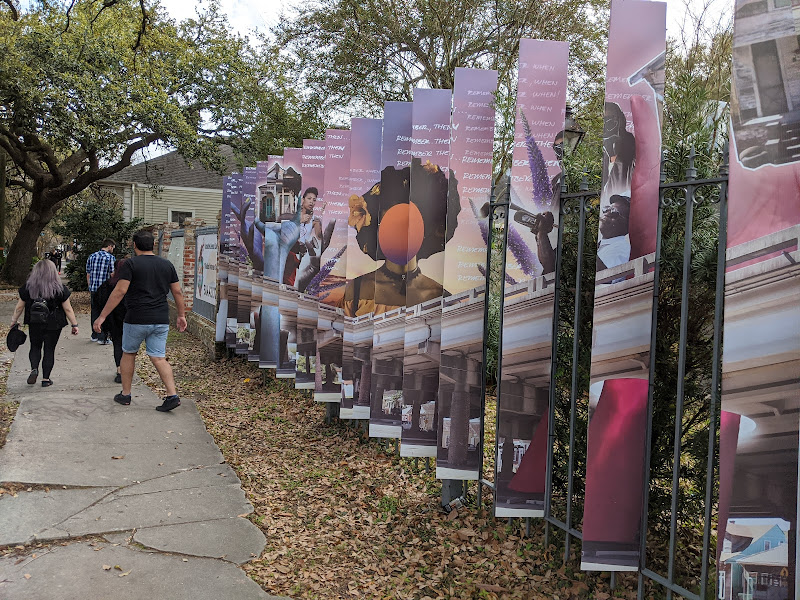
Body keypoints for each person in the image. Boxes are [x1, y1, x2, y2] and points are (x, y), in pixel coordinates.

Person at [93, 230, 187, 411]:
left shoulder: (130, 264)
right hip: (160, 319)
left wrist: (102, 316)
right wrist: (181, 315)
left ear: (134, 245)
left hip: (136, 318)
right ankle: (172, 395)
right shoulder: (166, 265)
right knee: (159, 357)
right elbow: (177, 292)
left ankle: (126, 394)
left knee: (128, 353)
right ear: (153, 245)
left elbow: (119, 291)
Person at [10, 259, 80, 386]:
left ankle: (34, 369)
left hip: (34, 322)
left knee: (35, 346)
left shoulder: (28, 287)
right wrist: (74, 324)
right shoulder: (59, 289)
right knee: (49, 349)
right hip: (54, 324)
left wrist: (14, 321)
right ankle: (46, 379)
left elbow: (19, 307)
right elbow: (68, 309)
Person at [96, 258, 128, 383]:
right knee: (129, 346)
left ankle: (120, 370)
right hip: (130, 319)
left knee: (117, 343)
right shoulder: (134, 285)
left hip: (114, 319)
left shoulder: (108, 285)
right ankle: (127, 369)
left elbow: (99, 301)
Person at [86, 238, 116, 343]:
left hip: (94, 288)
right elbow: (112, 274)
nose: (113, 250)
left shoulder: (92, 256)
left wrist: (90, 287)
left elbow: (88, 274)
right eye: (113, 247)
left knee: (94, 311)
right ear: (109, 246)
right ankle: (102, 337)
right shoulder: (111, 258)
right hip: (104, 290)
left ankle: (94, 335)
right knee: (104, 312)